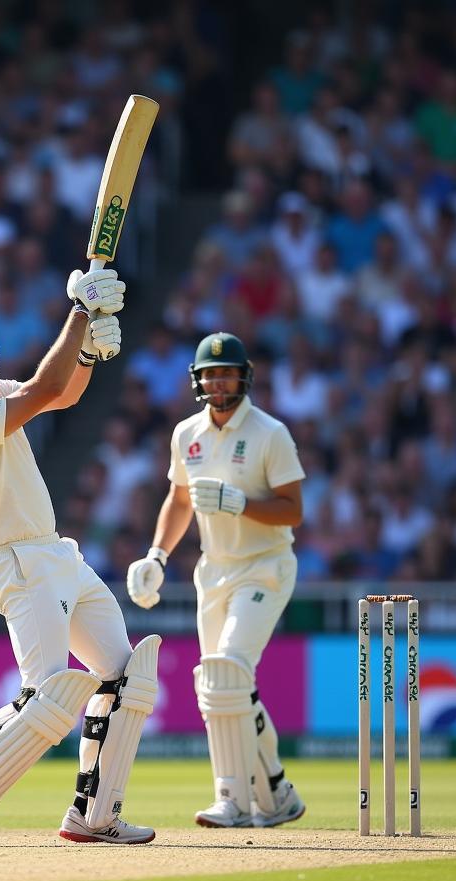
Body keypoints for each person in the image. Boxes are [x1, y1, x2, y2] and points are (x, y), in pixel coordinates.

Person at [0, 266, 161, 847]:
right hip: (16, 564)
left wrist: (89, 353)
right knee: (47, 696)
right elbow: (45, 392)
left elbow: (64, 391)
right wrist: (79, 314)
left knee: (128, 677)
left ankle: (94, 815)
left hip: (58, 556)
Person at [126, 332, 307, 828]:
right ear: (198, 379)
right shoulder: (187, 433)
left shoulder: (270, 433)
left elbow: (294, 511)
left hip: (265, 565)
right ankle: (277, 790)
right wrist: (157, 556)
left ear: (243, 376)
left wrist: (243, 503)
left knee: (227, 668)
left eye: (226, 372)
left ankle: (231, 799)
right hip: (214, 570)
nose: (218, 380)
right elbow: (180, 500)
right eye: (210, 373)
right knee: (219, 684)